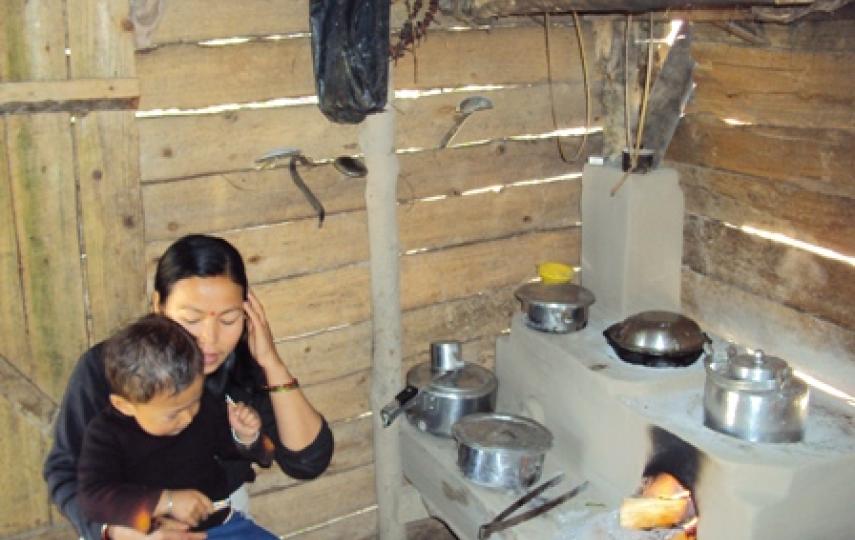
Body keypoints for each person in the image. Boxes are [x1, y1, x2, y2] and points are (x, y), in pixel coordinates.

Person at [44, 234, 334, 540]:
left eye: (229, 319)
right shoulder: (109, 369)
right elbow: (65, 474)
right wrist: (119, 531)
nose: (209, 339)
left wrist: (272, 363)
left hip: (222, 522)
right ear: (159, 304)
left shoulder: (240, 366)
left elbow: (307, 462)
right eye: (191, 319)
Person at [78, 314, 277, 539]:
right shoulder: (106, 434)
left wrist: (246, 437)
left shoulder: (203, 407)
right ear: (124, 405)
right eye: (173, 414)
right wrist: (166, 501)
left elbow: (244, 451)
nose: (188, 418)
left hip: (220, 525)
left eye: (194, 402)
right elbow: (92, 498)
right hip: (151, 533)